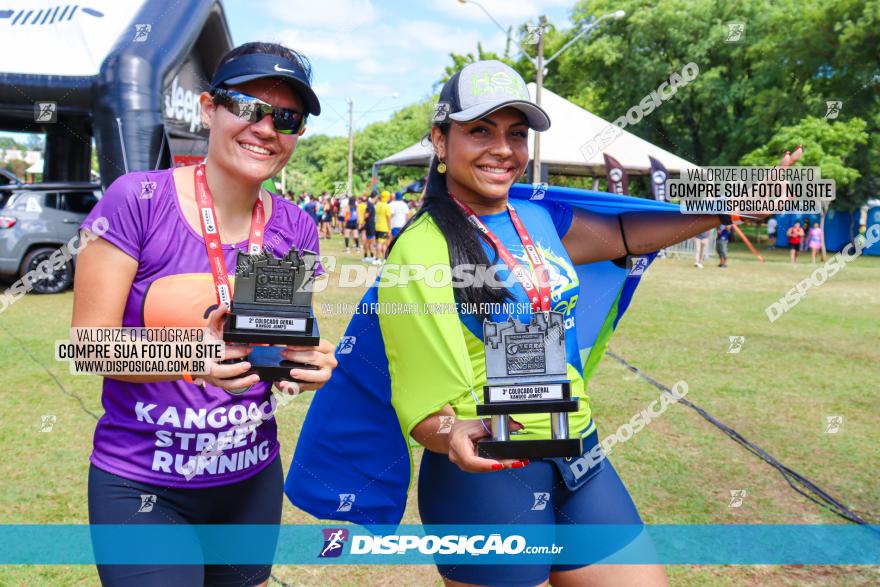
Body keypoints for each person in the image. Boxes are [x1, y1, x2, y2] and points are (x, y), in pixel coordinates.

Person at [359, 60, 801, 587]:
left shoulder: (537, 217)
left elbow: (626, 233)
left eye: (516, 134)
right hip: (489, 473)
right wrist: (452, 433)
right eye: (480, 130)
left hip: (580, 456)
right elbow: (422, 401)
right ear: (440, 138)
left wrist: (735, 202)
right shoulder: (421, 250)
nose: (503, 148)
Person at [73, 42, 338, 587]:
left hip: (250, 481)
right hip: (143, 484)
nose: (265, 127)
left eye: (287, 117)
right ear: (208, 107)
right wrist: (197, 356)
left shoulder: (297, 228)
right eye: (246, 106)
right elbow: (85, 346)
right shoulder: (136, 200)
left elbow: (271, 348)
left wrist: (305, 364)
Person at [373, 191, 392, 263]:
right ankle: (376, 259)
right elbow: (388, 219)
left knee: (383, 244)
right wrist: (390, 229)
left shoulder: (377, 204)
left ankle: (385, 259)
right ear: (387, 197)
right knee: (380, 244)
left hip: (377, 227)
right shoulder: (387, 206)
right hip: (384, 228)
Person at [362, 193, 377, 263]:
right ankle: (369, 257)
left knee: (369, 241)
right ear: (375, 197)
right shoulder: (370, 204)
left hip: (369, 224)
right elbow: (366, 215)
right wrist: (364, 220)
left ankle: (368, 256)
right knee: (370, 242)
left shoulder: (369, 204)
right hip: (370, 225)